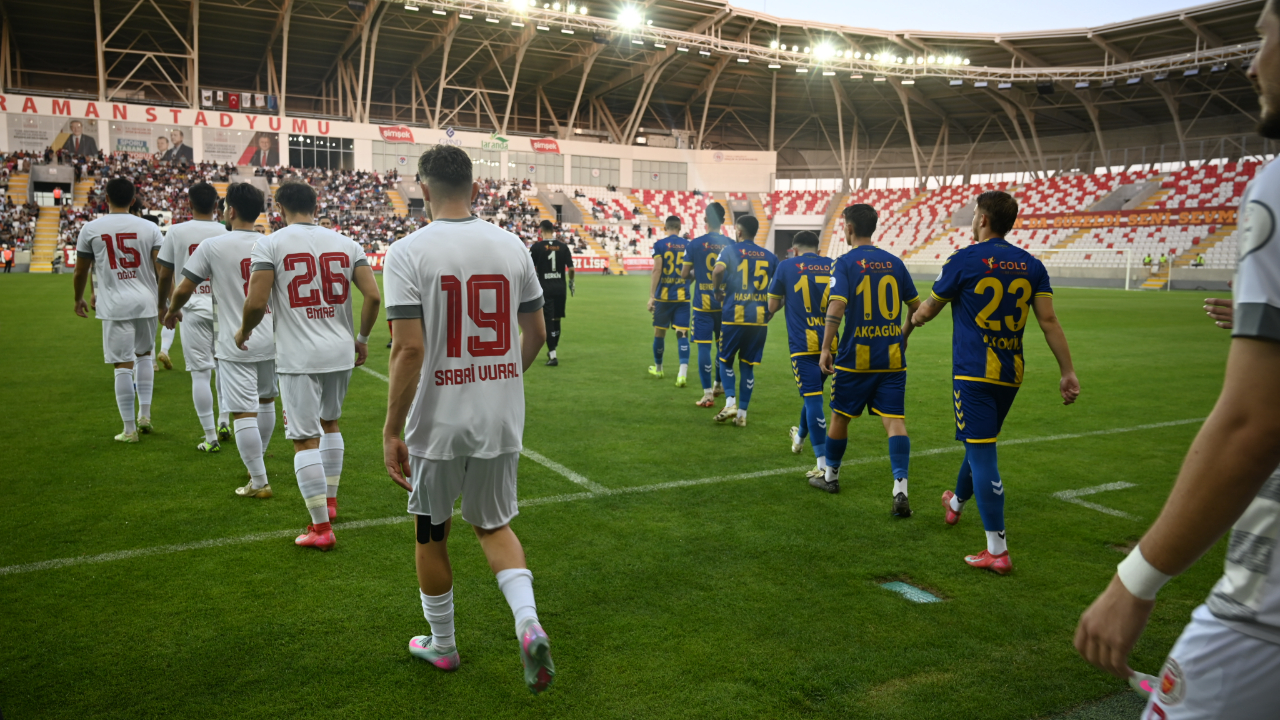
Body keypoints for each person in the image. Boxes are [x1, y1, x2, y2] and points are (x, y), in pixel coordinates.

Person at [1074, 8, 1280, 712]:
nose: (1251, 64)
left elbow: (1255, 420)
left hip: (1264, 611)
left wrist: (1134, 580)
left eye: (1265, 36)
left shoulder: (1276, 185)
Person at [382, 144, 555, 692]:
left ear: (422, 190)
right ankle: (527, 622)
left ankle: (444, 645)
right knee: (493, 524)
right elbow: (537, 333)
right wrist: (502, 380)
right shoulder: (512, 245)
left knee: (431, 531)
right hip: (498, 418)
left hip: (438, 423)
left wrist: (391, 429)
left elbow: (409, 348)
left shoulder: (406, 252)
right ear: (475, 189)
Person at [910, 191, 1080, 574]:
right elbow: (1049, 321)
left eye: (974, 214)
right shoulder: (1032, 265)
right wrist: (1067, 371)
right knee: (979, 444)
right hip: (1010, 373)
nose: (972, 220)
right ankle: (955, 504)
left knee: (983, 454)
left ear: (983, 219)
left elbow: (928, 310)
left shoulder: (964, 258)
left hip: (973, 373)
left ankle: (997, 551)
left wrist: (915, 318)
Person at [237, 181, 381, 550]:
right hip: (339, 351)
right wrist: (362, 338)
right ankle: (329, 502)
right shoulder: (347, 243)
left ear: (279, 207)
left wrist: (243, 331)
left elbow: (257, 302)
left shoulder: (269, 243)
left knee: (304, 439)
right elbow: (373, 296)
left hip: (299, 356)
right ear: (316, 206)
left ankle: (321, 528)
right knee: (330, 423)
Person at [166, 183, 279, 495]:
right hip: (271, 336)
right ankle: (257, 461)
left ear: (231, 211)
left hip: (236, 338)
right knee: (266, 401)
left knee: (243, 410)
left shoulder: (213, 245)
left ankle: (258, 480)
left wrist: (171, 311)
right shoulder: (272, 244)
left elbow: (184, 288)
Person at [813, 207, 921, 516]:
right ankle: (900, 488)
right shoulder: (895, 263)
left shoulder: (845, 263)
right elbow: (916, 307)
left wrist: (825, 347)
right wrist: (903, 335)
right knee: (895, 421)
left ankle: (831, 477)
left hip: (855, 358)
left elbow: (836, 306)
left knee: (840, 417)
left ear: (848, 228)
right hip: (891, 358)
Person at [71, 177, 165, 442]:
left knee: (122, 365)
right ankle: (145, 415)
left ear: (106, 199)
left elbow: (80, 271)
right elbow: (161, 270)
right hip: (146, 302)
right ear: (133, 200)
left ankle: (129, 429)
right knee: (145, 356)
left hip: (114, 303)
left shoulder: (91, 229)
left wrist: (78, 298)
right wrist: (164, 303)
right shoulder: (150, 228)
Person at [155, 182, 231, 450]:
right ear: (216, 206)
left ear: (189, 204)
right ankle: (224, 421)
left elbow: (165, 274)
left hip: (192, 308)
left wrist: (164, 306)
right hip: (224, 309)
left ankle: (210, 437)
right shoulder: (226, 230)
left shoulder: (176, 231)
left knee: (200, 373)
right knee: (224, 367)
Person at [766, 230, 835, 480]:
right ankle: (799, 439)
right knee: (812, 393)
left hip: (803, 344)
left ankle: (823, 464)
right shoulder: (832, 265)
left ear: (794, 250)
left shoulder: (786, 266)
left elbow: (772, 306)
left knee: (813, 398)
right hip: (831, 343)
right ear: (818, 250)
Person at [709, 215, 776, 427]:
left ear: (738, 231)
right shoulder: (770, 256)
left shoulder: (730, 250)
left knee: (725, 359)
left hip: (734, 315)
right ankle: (742, 415)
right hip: (758, 318)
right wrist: (772, 310)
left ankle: (730, 403)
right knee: (747, 365)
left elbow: (718, 270)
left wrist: (716, 290)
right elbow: (780, 290)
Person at [681, 202, 731, 407]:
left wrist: (697, 274)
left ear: (704, 219)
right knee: (722, 347)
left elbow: (685, 273)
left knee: (704, 347)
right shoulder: (730, 244)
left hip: (703, 306)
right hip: (725, 304)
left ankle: (708, 394)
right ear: (723, 221)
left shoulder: (694, 244)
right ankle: (719, 384)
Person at [647, 215, 690, 386]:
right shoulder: (688, 245)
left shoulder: (659, 245)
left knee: (659, 333)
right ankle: (682, 374)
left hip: (663, 298)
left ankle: (658, 369)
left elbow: (657, 270)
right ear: (680, 228)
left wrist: (652, 296)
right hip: (682, 297)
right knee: (682, 334)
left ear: (665, 228)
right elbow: (692, 271)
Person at [527, 220, 574, 366]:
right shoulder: (563, 247)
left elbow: (529, 268)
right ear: (553, 231)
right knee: (557, 319)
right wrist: (571, 282)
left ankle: (553, 355)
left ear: (541, 230)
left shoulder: (537, 247)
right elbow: (571, 269)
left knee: (548, 320)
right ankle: (553, 347)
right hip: (560, 288)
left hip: (544, 288)